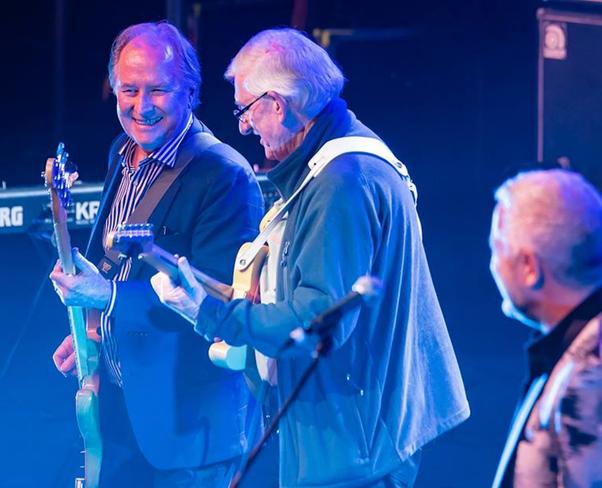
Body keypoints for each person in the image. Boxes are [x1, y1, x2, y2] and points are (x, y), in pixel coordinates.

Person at [151, 28, 470, 487]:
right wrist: (205, 293)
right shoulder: (335, 162)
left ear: (276, 105)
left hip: (360, 451)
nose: (242, 126)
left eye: (244, 110)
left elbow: (318, 319)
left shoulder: (341, 183)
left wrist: (209, 314)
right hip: (353, 437)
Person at [49, 21, 264, 487]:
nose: (141, 107)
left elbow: (218, 308)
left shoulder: (224, 176)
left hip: (187, 430)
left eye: (158, 90)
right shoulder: (122, 152)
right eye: (129, 90)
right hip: (122, 414)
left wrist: (106, 298)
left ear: (190, 90)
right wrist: (94, 330)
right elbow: (118, 267)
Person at [489, 169, 602, 487]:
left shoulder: (590, 376)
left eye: (497, 249)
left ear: (529, 267)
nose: (493, 265)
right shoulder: (577, 348)